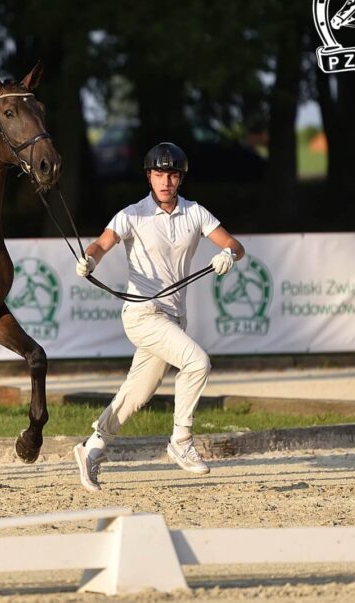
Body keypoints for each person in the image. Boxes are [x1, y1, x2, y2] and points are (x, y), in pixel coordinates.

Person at [73, 142, 244, 493]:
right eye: (158, 174)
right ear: (149, 176)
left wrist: (228, 254)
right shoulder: (131, 214)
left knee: (138, 393)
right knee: (197, 362)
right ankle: (181, 440)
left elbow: (234, 244)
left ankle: (93, 447)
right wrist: (89, 261)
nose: (165, 181)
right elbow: (102, 244)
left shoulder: (195, 213)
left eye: (172, 175)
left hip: (173, 317)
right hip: (142, 313)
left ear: (180, 179)